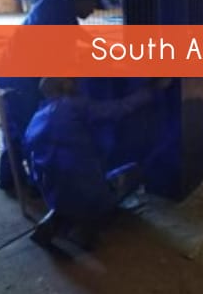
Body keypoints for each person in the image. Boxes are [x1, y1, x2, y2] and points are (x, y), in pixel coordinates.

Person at [25, 77, 171, 248]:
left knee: (67, 194)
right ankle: (86, 227)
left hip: (52, 194)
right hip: (86, 189)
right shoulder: (75, 106)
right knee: (134, 172)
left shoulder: (36, 119)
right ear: (65, 85)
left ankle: (56, 220)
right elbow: (119, 109)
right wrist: (152, 90)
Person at [0, 0, 100, 192]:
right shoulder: (56, 14)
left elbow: (76, 34)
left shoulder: (58, 8)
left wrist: (103, 46)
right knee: (33, 131)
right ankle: (38, 183)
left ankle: (9, 178)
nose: (92, 12)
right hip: (22, 80)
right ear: (82, 0)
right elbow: (60, 55)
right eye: (91, 6)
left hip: (10, 77)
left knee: (15, 128)